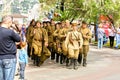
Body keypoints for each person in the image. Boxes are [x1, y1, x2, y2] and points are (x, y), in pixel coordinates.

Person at [0, 15, 21, 80]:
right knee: (9, 78)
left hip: (0, 57)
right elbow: (18, 39)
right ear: (8, 22)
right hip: (9, 58)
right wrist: (14, 28)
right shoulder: (10, 32)